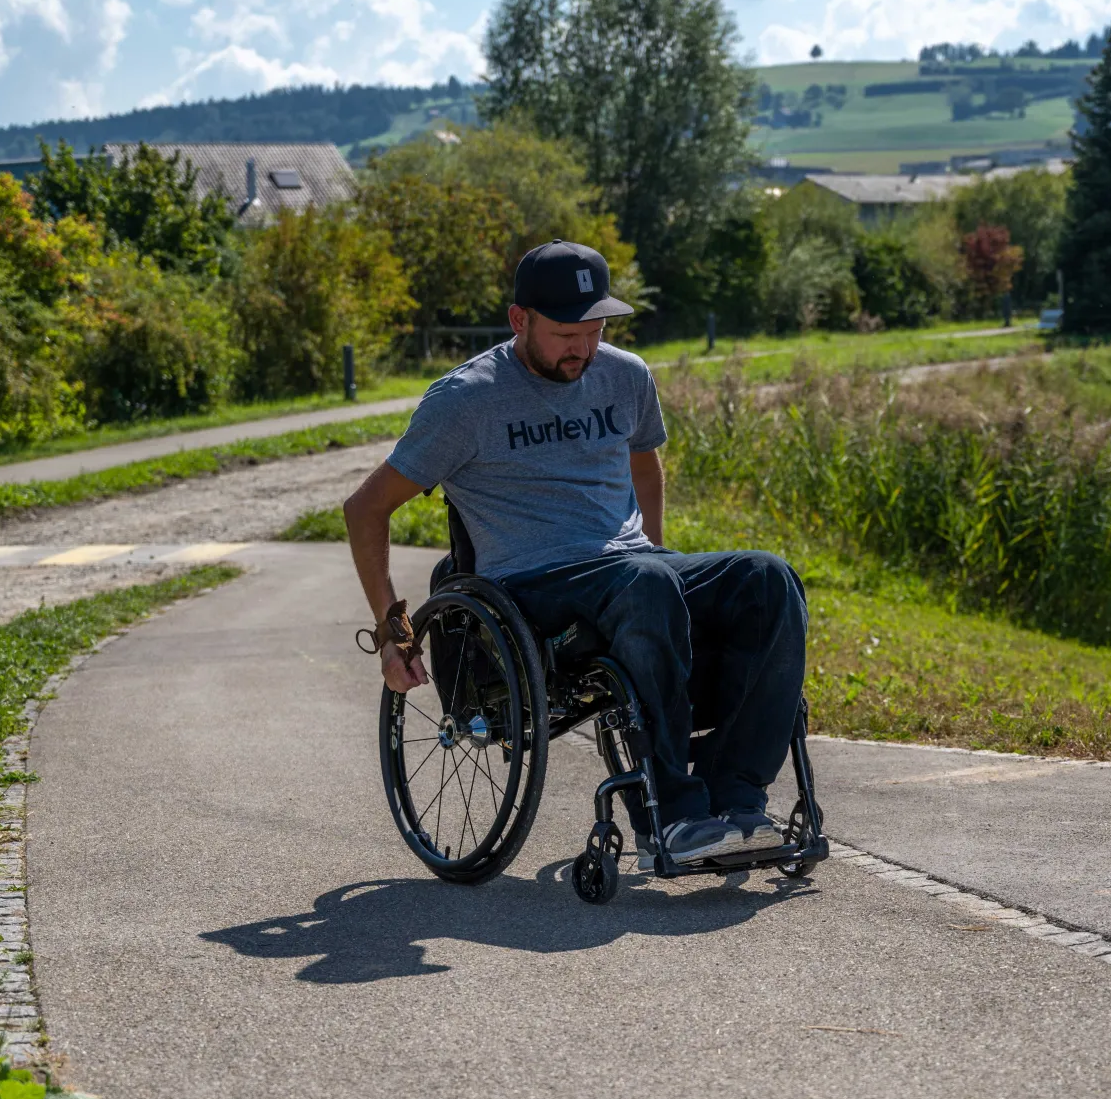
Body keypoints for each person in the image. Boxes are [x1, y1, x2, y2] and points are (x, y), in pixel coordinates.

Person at [342, 239, 808, 866]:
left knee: (768, 578)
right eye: (566, 334)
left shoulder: (626, 374)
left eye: (595, 330)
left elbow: (645, 461)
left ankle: (737, 799)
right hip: (531, 584)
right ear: (519, 320)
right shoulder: (464, 401)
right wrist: (393, 628)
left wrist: (658, 550)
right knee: (645, 584)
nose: (583, 349)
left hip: (632, 564)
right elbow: (365, 507)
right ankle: (671, 814)